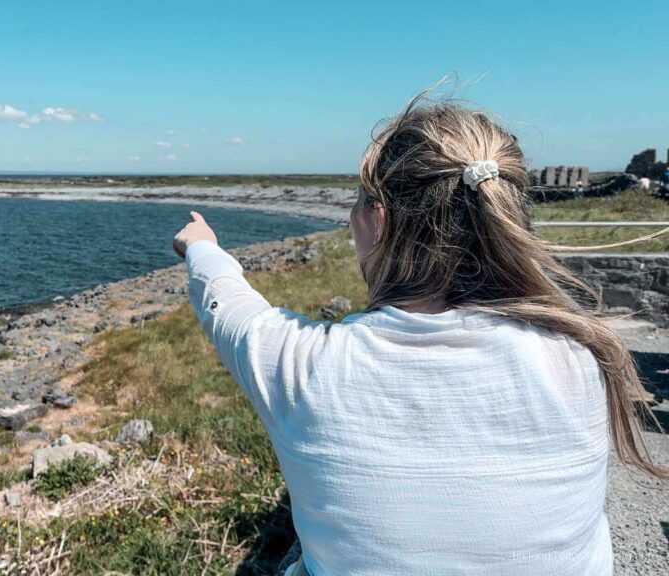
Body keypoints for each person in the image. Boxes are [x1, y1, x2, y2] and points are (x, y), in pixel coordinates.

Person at [172, 95, 667, 576]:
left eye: (359, 203)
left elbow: (227, 301)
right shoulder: (581, 356)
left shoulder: (301, 365)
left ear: (379, 221)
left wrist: (201, 246)